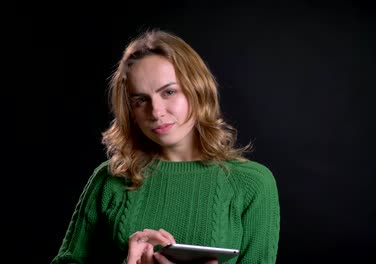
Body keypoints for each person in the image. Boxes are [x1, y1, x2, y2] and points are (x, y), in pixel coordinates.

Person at [50, 28, 280, 264]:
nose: (156, 112)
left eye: (169, 92)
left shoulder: (252, 183)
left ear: (198, 91)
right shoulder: (110, 179)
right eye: (140, 100)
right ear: (130, 111)